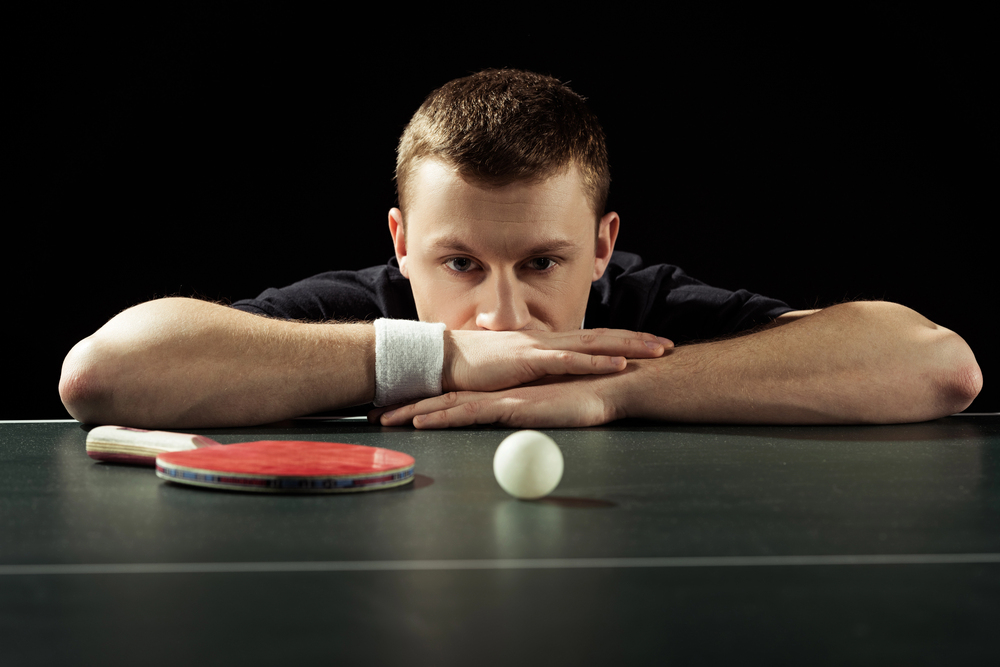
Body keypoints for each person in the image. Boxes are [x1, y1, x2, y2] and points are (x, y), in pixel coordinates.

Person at [58, 69, 982, 430]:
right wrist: (438, 354)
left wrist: (613, 388)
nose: (501, 314)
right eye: (458, 263)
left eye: (542, 262)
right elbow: (99, 375)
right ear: (402, 244)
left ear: (602, 248)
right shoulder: (365, 310)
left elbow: (936, 366)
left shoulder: (642, 321)